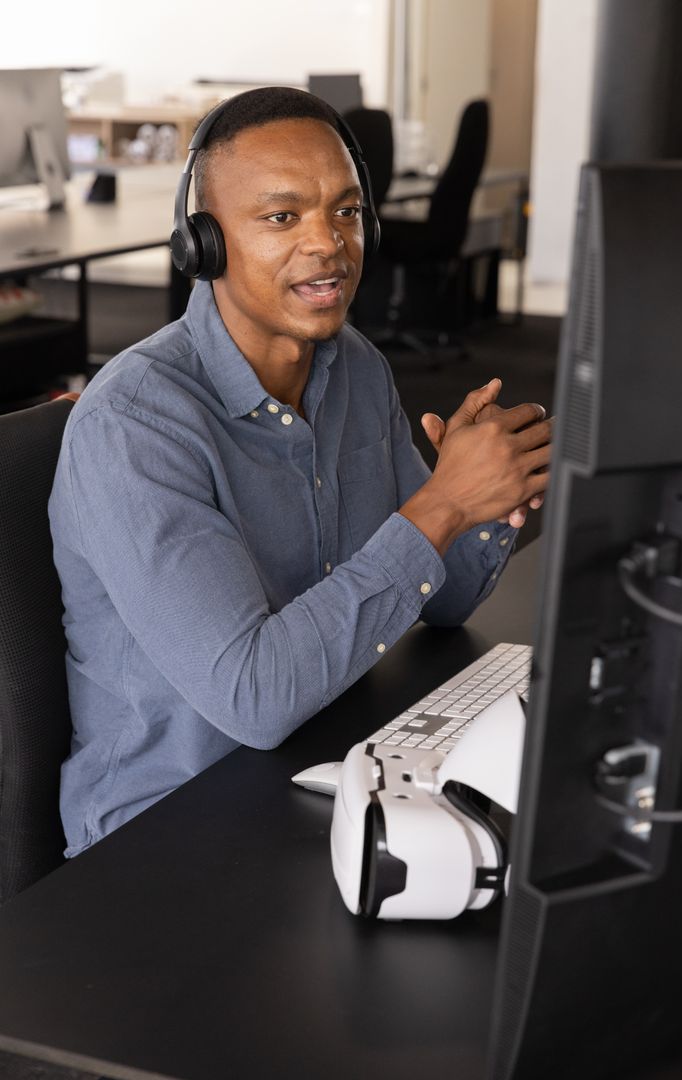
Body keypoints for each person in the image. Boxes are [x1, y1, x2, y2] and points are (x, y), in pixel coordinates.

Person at [49, 87, 552, 857]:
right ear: (204, 244)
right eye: (282, 217)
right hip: (168, 834)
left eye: (346, 213)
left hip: (327, 760)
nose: (329, 245)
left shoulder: (353, 366)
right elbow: (254, 699)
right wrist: (442, 505)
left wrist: (481, 502)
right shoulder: (135, 426)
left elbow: (440, 602)